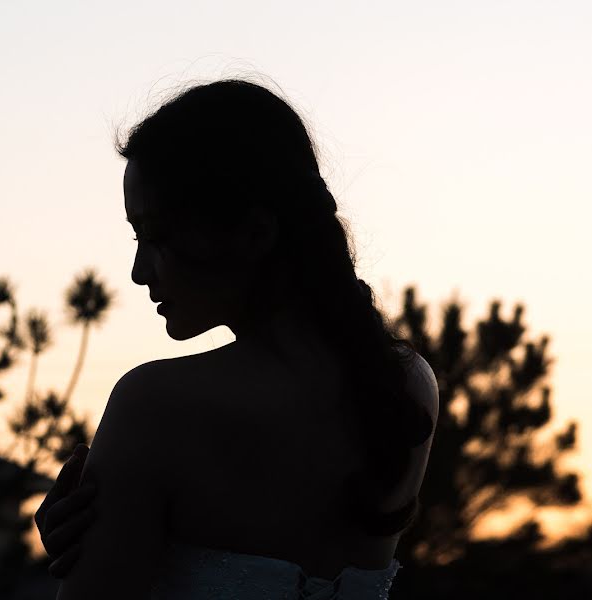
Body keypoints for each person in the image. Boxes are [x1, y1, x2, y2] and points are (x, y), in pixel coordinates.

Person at [35, 78, 440, 599]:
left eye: (157, 237)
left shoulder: (157, 406)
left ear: (254, 234)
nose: (138, 272)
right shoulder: (405, 386)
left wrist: (91, 556)